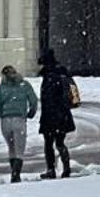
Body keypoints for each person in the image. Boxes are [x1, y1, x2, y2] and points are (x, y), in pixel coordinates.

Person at [0, 63, 38, 183]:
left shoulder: (1, 88)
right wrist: (31, 111)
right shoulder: (24, 85)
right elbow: (34, 100)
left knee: (11, 147)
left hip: (5, 121)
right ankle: (16, 174)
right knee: (19, 150)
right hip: (19, 120)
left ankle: (14, 172)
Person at [38, 48, 76, 179]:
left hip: (50, 116)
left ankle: (51, 169)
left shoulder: (49, 76)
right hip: (62, 114)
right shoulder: (62, 73)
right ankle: (66, 168)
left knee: (49, 143)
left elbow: (47, 99)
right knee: (60, 142)